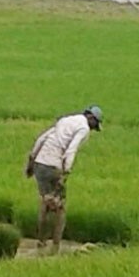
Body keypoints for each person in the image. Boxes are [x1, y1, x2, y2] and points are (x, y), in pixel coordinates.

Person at [24, 105, 103, 254]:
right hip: (53, 166)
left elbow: (42, 139)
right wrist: (65, 172)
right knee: (60, 207)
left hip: (40, 165)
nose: (93, 129)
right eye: (95, 125)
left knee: (45, 201)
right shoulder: (83, 128)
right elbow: (71, 149)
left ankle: (40, 242)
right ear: (91, 118)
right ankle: (56, 245)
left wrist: (31, 161)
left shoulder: (65, 120)